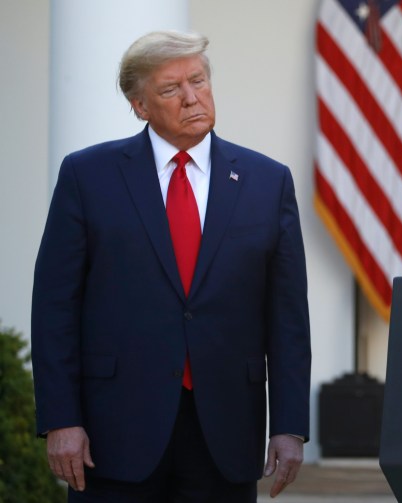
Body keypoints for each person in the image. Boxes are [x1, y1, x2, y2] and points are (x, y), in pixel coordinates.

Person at [31, 30, 311, 502]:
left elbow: (287, 317)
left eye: (198, 81)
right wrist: (61, 418)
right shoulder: (87, 176)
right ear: (140, 106)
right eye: (170, 89)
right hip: (113, 433)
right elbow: (55, 306)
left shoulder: (268, 181)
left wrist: (289, 426)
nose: (191, 98)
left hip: (226, 430)